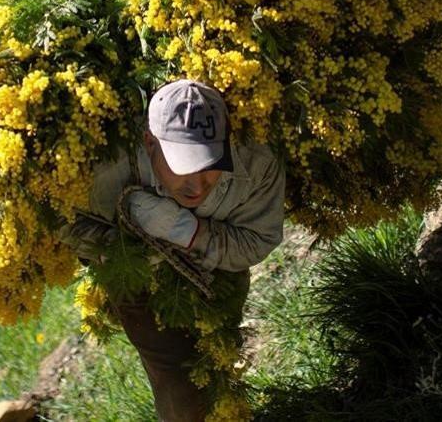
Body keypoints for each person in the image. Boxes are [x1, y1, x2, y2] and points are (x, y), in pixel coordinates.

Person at [65, 79, 286, 422]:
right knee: (175, 373)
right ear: (149, 142)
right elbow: (62, 224)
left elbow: (258, 239)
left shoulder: (256, 163)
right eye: (183, 167)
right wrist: (124, 248)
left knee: (214, 356)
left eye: (209, 164)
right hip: (133, 272)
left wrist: (188, 232)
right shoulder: (103, 170)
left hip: (218, 270)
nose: (197, 185)